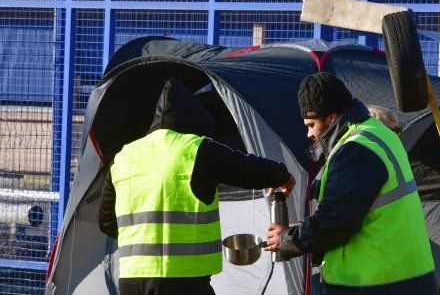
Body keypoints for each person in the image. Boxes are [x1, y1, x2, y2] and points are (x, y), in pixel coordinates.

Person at [98, 78, 295, 295]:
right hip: (183, 283)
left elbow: (107, 222)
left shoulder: (124, 157)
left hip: (131, 281)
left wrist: (145, 240)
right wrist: (281, 175)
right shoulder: (195, 149)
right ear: (193, 122)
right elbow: (245, 167)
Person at [265, 72, 438, 294]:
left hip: (374, 282)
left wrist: (287, 238)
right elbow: (360, 212)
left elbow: (337, 222)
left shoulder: (355, 149)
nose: (308, 134)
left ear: (331, 118)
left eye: (311, 124)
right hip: (409, 275)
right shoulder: (379, 135)